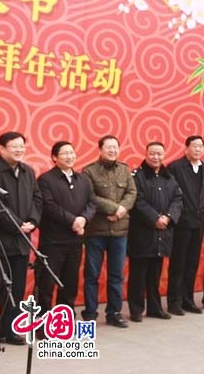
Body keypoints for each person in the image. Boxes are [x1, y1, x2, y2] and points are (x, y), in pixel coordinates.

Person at [0, 131, 41, 349]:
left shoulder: (28, 171)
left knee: (16, 289)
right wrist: (17, 225)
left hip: (21, 241)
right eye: (14, 146)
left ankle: (10, 330)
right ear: (1, 149)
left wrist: (32, 220)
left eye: (22, 145)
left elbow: (37, 197)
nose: (19, 149)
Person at [82, 135, 136, 328]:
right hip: (96, 230)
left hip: (120, 231)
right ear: (100, 149)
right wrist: (114, 209)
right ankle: (90, 313)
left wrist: (121, 209)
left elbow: (132, 192)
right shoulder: (89, 171)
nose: (113, 150)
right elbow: (90, 196)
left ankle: (114, 313)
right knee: (92, 275)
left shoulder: (125, 169)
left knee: (116, 275)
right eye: (109, 147)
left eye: (115, 147)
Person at [36, 142, 96, 316]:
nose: (70, 156)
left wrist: (83, 219)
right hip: (52, 242)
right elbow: (49, 205)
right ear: (54, 157)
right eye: (65, 153)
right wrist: (73, 221)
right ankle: (42, 323)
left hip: (75, 241)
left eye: (72, 152)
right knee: (46, 284)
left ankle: (64, 322)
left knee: (69, 284)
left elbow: (92, 202)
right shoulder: (46, 179)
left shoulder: (83, 179)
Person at [128, 142, 182, 322]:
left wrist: (168, 217)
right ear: (146, 154)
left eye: (159, 153)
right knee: (138, 274)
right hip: (142, 233)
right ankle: (136, 309)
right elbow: (138, 201)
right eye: (152, 153)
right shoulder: (137, 175)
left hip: (162, 234)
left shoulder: (169, 177)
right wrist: (154, 219)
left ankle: (154, 308)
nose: (156, 157)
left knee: (155, 275)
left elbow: (177, 199)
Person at [166, 135, 204, 315]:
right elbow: (171, 194)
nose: (198, 149)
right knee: (178, 263)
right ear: (186, 148)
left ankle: (188, 300)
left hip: (198, 222)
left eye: (201, 146)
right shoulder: (175, 167)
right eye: (195, 146)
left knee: (192, 263)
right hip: (181, 222)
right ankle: (173, 302)